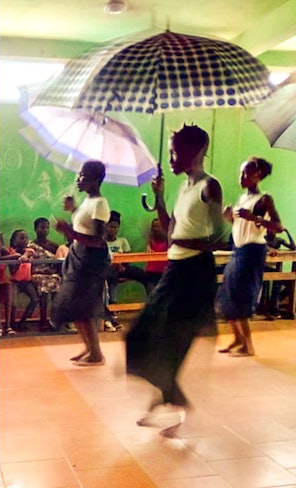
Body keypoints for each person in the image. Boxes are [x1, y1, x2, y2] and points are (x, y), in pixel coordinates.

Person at [126, 124, 225, 432]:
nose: (170, 157)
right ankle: (171, 397)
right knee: (139, 335)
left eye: (175, 151)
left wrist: (186, 243)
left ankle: (167, 400)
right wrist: (159, 199)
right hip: (175, 269)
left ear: (195, 152)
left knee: (173, 341)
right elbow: (170, 232)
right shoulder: (183, 187)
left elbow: (221, 236)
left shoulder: (210, 186)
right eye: (169, 150)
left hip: (196, 272)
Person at [217, 157, 282, 357]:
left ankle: (248, 345)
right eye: (241, 173)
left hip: (253, 251)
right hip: (239, 250)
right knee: (227, 295)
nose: (241, 177)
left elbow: (278, 227)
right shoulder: (242, 199)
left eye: (245, 173)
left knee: (241, 296)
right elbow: (240, 225)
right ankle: (237, 338)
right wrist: (228, 217)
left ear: (258, 175)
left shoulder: (264, 199)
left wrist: (254, 217)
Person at [50, 160, 111, 366]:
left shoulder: (100, 204)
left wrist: (67, 231)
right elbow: (83, 226)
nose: (79, 178)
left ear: (95, 180)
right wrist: (73, 210)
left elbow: (96, 239)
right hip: (79, 254)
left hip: (91, 258)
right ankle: (88, 347)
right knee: (73, 303)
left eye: (83, 175)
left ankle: (96, 354)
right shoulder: (88, 201)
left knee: (82, 304)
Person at [144, 217, 169, 292]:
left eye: (158, 226)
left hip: (164, 272)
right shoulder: (150, 241)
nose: (156, 229)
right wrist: (148, 249)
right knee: (152, 294)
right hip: (151, 273)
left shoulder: (168, 241)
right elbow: (148, 248)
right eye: (154, 226)